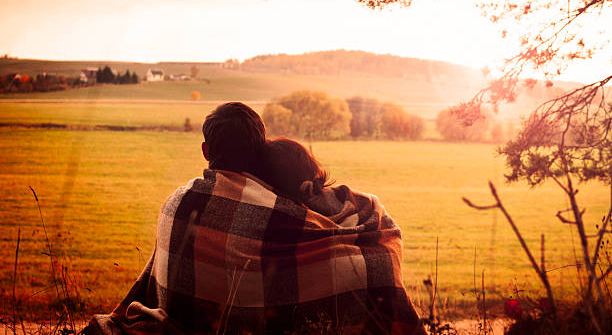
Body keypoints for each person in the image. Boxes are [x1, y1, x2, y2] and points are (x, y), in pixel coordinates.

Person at [86, 102, 425, 335]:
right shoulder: (278, 211)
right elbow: (335, 247)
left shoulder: (177, 200)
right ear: (260, 150)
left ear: (206, 151)